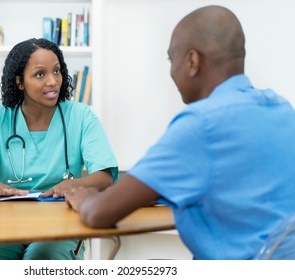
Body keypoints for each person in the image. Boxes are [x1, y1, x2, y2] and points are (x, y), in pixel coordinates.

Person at [64, 5, 295, 260]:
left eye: (171, 60)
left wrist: (84, 197)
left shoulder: (201, 124)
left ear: (193, 62)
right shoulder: (283, 109)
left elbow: (99, 214)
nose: (172, 71)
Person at [0, 38, 118, 260]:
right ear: (20, 82)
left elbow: (105, 176)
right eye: (40, 74)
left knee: (42, 258)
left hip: (61, 220)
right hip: (7, 221)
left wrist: (73, 184)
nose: (53, 81)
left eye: (57, 71)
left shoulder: (81, 116)